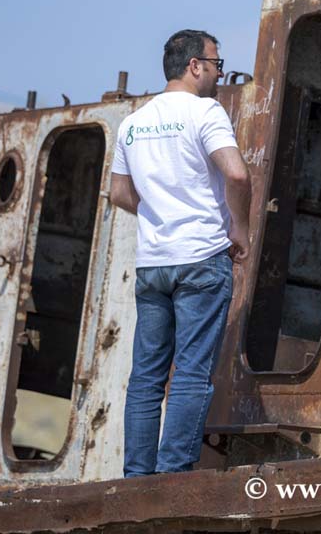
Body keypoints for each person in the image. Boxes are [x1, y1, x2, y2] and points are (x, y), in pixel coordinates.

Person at [109, 29, 251, 476]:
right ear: (195, 66)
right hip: (201, 259)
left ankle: (137, 477)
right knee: (190, 373)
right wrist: (240, 227)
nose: (220, 74)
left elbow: (117, 193)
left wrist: (159, 211)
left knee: (146, 378)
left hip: (153, 264)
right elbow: (237, 174)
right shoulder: (205, 112)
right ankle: (171, 478)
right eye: (217, 64)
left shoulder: (133, 123)